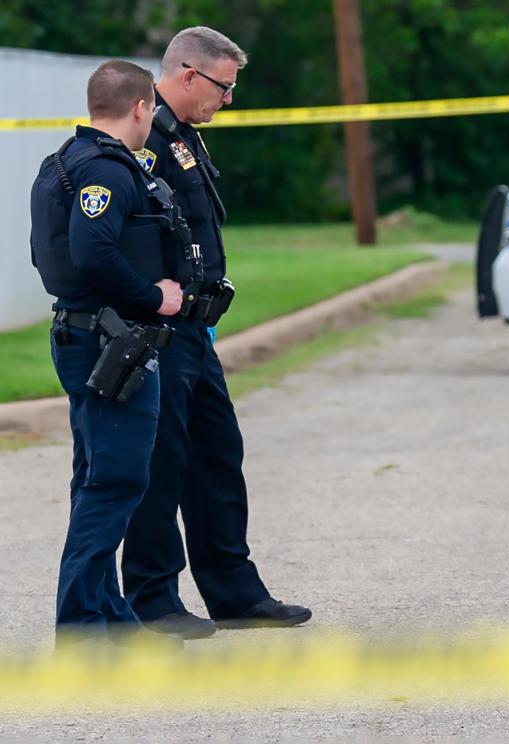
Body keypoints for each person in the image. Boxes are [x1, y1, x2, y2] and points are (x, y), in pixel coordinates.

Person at [121, 26, 311, 638]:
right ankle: (153, 600)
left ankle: (234, 594)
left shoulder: (183, 138)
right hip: (159, 330)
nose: (228, 99)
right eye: (223, 86)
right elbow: (124, 235)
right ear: (186, 75)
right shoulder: (142, 135)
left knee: (219, 457)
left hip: (196, 333)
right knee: (163, 463)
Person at [29, 60, 185, 645]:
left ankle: (106, 612)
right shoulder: (107, 172)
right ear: (142, 107)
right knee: (115, 482)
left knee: (96, 475)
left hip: (82, 333)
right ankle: (82, 627)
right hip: (110, 341)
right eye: (151, 110)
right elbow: (92, 251)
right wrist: (155, 297)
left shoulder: (60, 164)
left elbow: (48, 255)